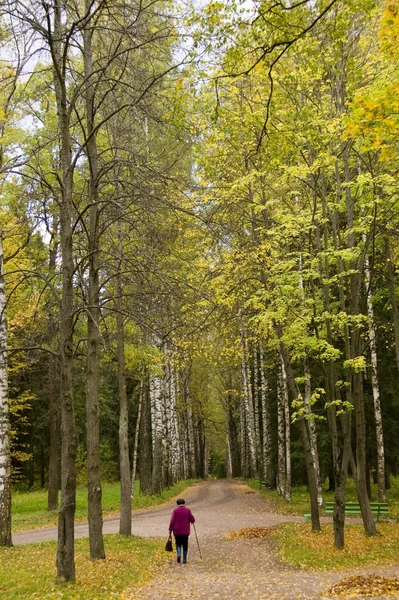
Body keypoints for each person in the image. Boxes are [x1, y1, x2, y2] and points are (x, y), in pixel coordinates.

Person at [169, 498, 195, 564]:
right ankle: (184, 559)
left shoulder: (175, 511)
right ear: (184, 503)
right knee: (185, 543)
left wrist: (170, 529)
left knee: (178, 542)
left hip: (177, 530)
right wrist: (192, 520)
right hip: (185, 530)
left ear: (177, 504)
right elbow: (192, 519)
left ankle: (178, 553)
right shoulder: (187, 510)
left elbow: (172, 521)